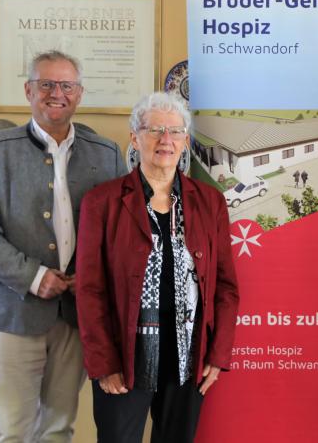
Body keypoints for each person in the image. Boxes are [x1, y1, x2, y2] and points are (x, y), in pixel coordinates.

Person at [0, 50, 126, 442]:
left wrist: (88, 278)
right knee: (9, 432)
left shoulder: (106, 154)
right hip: (10, 313)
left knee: (57, 430)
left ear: (79, 93)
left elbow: (119, 232)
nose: (57, 93)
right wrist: (34, 277)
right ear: (28, 90)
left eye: (66, 85)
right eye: (46, 84)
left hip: (75, 315)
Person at [75, 92, 240, 443]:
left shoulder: (210, 202)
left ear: (185, 140)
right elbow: (89, 289)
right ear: (135, 137)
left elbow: (225, 286)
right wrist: (103, 363)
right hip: (124, 354)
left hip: (189, 353)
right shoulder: (101, 202)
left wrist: (218, 353)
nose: (166, 139)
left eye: (175, 131)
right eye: (154, 130)